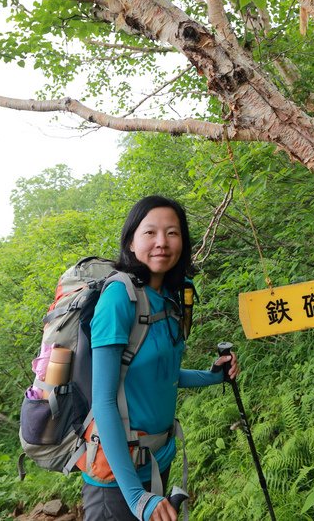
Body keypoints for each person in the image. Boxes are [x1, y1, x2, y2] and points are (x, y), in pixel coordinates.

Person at [83, 195, 239, 521]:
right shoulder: (118, 299)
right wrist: (137, 497)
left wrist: (215, 375)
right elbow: (105, 402)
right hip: (117, 477)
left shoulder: (170, 296)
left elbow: (165, 375)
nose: (162, 243)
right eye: (150, 233)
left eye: (172, 233)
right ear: (130, 241)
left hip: (158, 459)